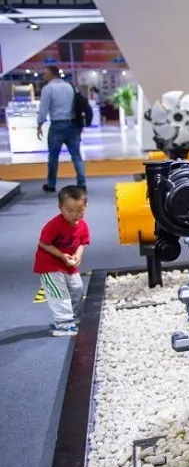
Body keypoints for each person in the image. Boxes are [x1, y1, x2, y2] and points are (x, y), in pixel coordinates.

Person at [34, 185, 90, 337]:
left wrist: (78, 256)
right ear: (60, 208)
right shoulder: (54, 225)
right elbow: (43, 243)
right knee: (58, 292)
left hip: (69, 265)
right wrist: (62, 255)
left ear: (85, 207)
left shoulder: (82, 225)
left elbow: (82, 242)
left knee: (77, 288)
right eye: (70, 211)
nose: (75, 215)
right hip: (49, 264)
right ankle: (63, 323)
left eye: (79, 211)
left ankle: (74, 317)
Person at [37, 65, 86, 193]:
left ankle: (51, 184)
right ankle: (82, 183)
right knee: (76, 155)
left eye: (45, 73)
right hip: (72, 124)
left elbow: (43, 109)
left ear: (52, 74)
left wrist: (39, 124)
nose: (43, 76)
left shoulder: (48, 89)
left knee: (53, 157)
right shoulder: (69, 86)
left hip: (57, 126)